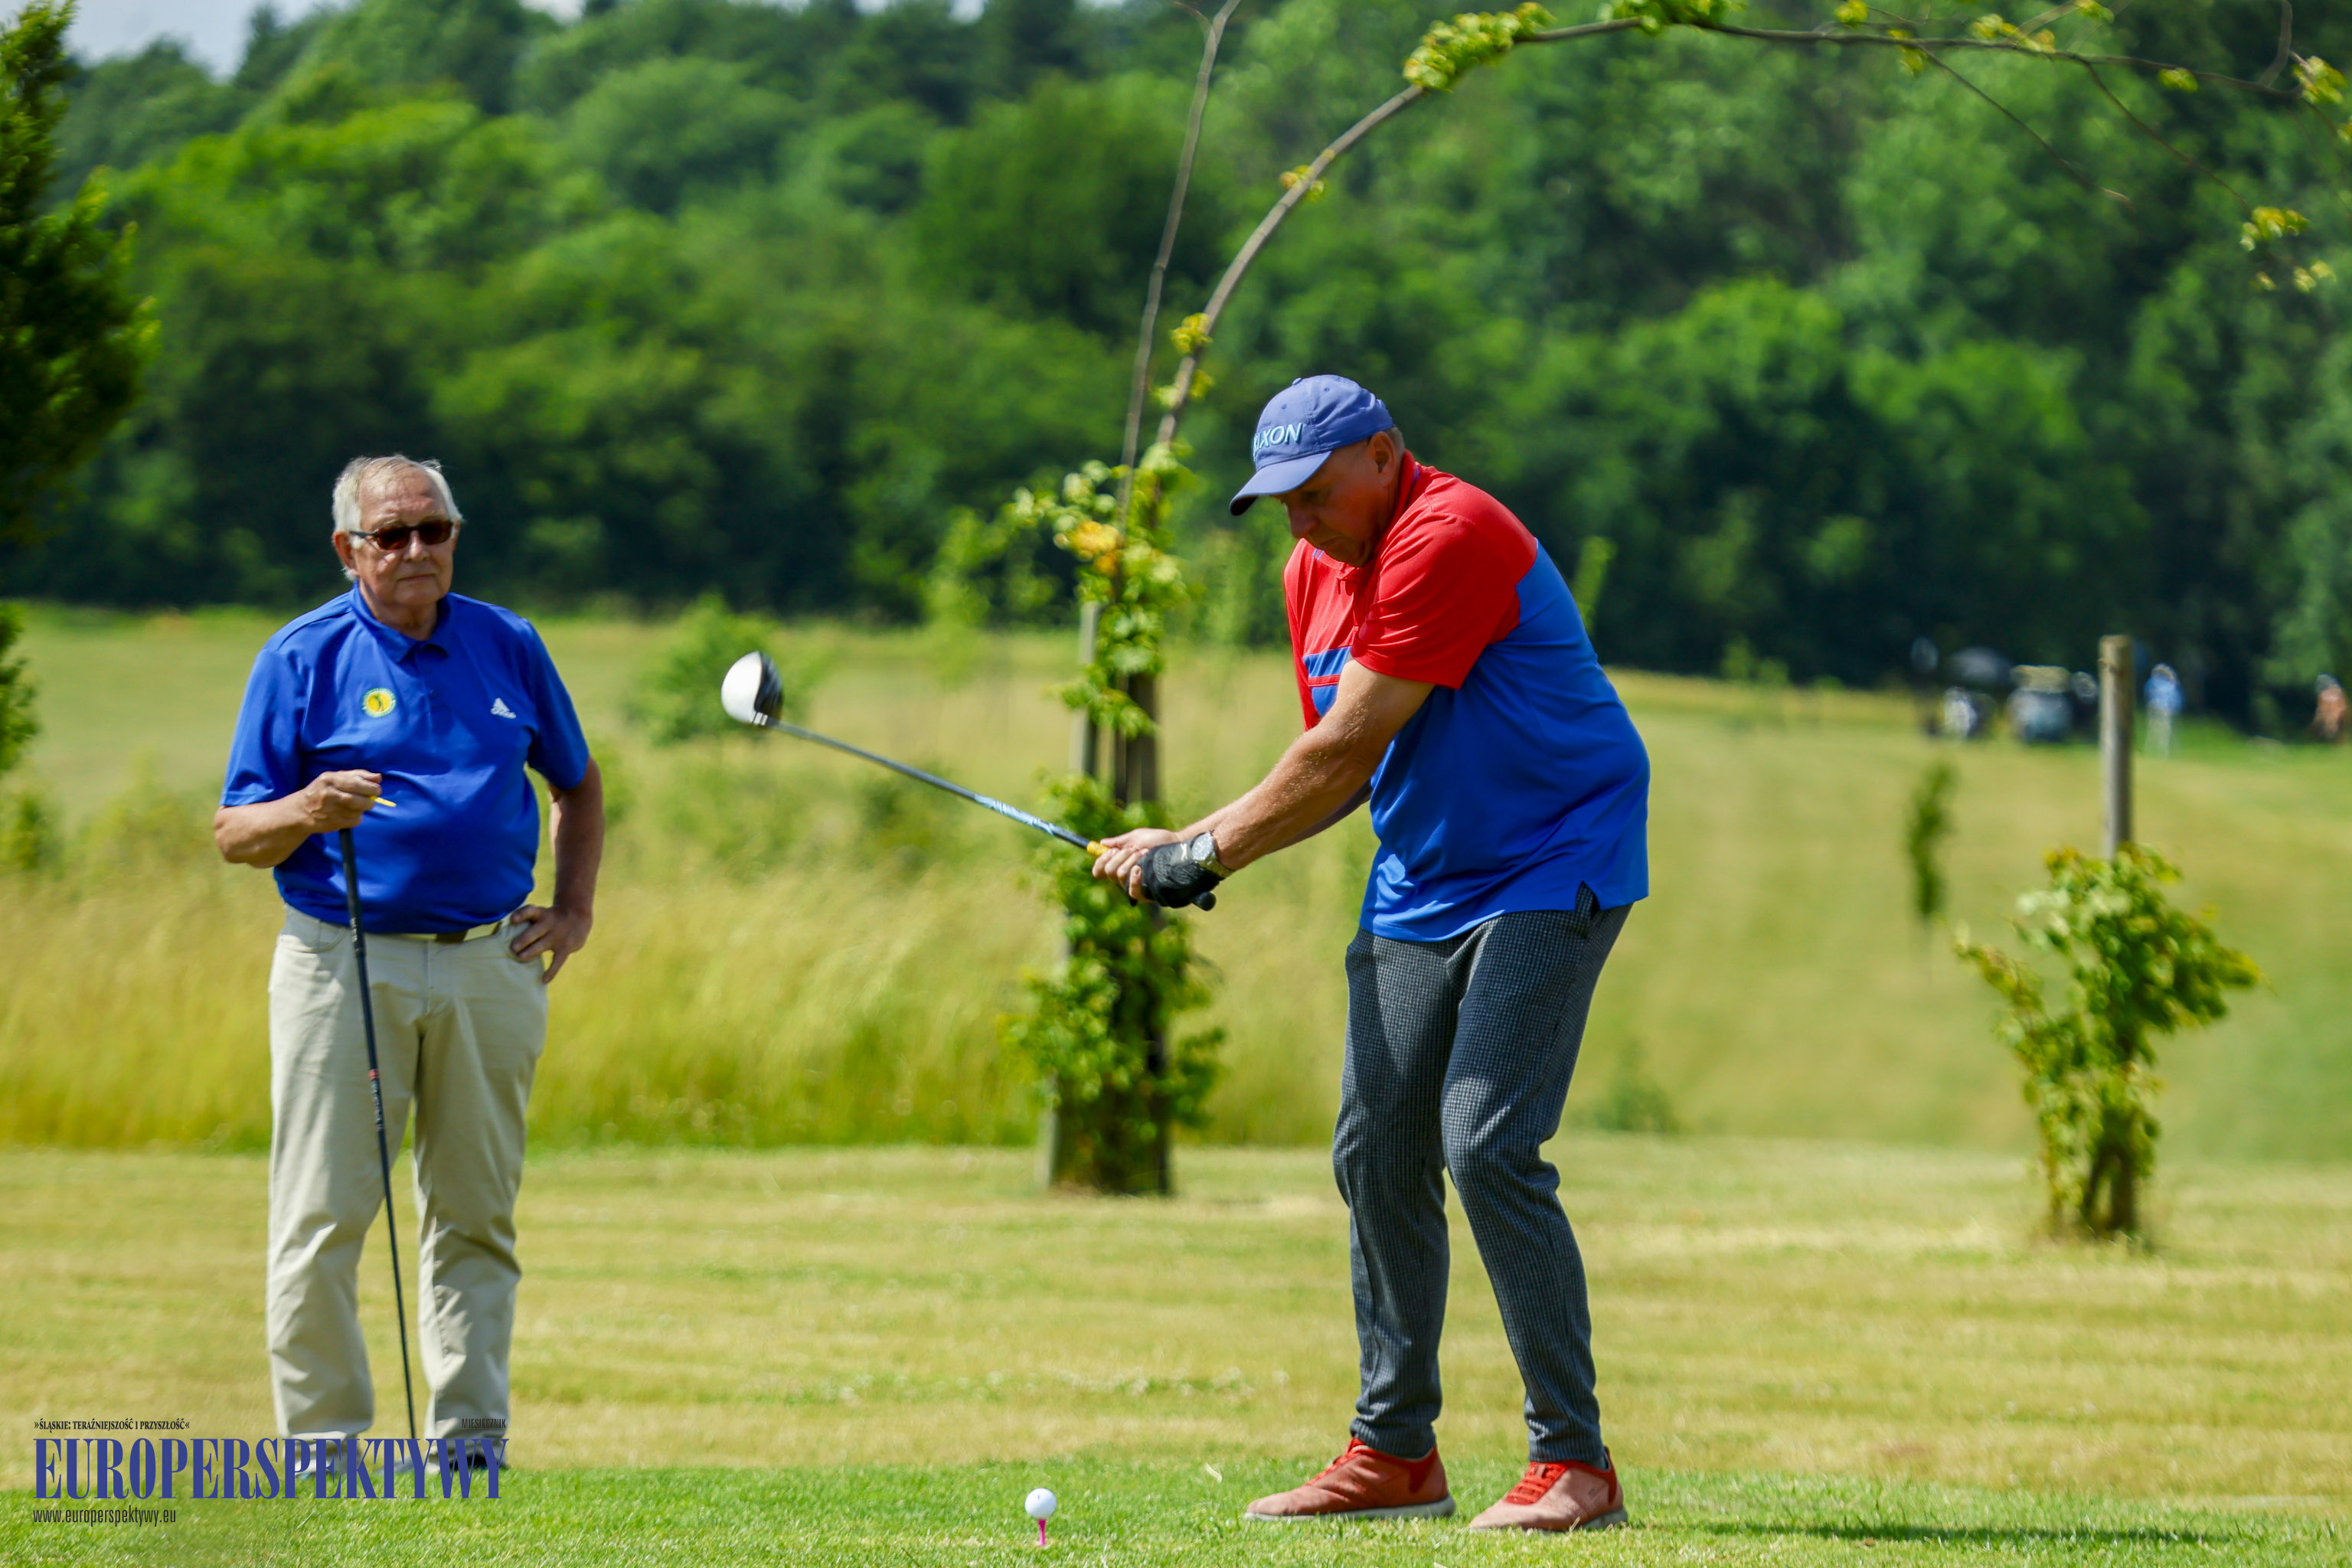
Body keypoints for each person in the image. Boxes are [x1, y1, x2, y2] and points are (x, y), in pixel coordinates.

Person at [1093, 376, 1648, 1532]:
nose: (1298, 518)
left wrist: (1199, 850)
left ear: (1386, 455)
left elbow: (1343, 747)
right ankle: (1396, 1457)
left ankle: (1577, 1467)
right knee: (1379, 1146)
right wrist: (1200, 847)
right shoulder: (1313, 573)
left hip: (1556, 857)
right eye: (1277, 500)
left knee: (1485, 1140)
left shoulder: (1449, 532)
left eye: (1315, 489)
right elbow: (1344, 769)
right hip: (1425, 877)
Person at [213, 456, 603, 1471]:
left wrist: (572, 908)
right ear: (350, 551)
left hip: (489, 961)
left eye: (435, 530)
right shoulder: (299, 657)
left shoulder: (506, 642)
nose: (418, 550)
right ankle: (327, 1451)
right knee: (322, 1216)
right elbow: (234, 832)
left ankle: (471, 1444)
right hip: (342, 963)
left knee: (477, 1215)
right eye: (393, 536)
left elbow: (578, 783)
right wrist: (306, 809)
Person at [2145, 663, 2182, 756]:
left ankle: (2150, 748)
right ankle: (2163, 751)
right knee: (2165, 731)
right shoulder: (2170, 685)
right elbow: (2175, 698)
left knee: (2154, 729)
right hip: (2165, 708)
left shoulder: (2152, 682)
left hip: (2154, 706)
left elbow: (2147, 692)